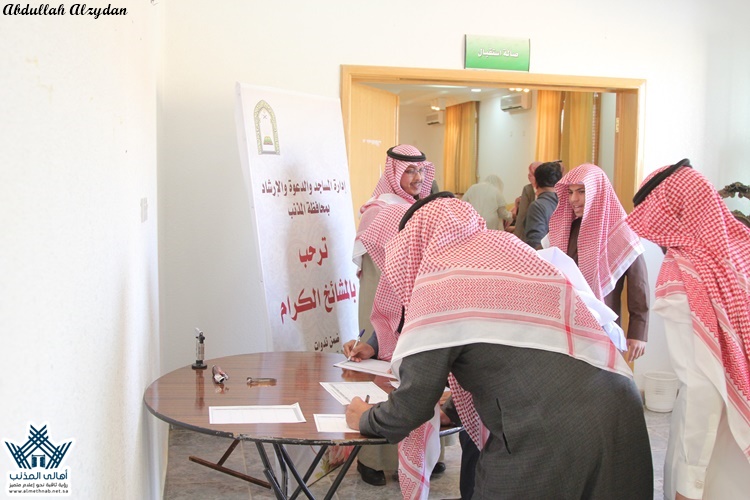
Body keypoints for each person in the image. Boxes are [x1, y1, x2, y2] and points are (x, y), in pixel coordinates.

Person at [346, 194, 653, 499]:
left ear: (414, 246)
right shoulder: (512, 252)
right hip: (621, 410)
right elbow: (519, 354)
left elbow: (412, 405)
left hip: (549, 430)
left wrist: (364, 417)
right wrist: (452, 409)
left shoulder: (440, 283)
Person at [626, 160, 750, 500]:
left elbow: (702, 388)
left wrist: (689, 482)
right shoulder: (742, 247)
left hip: (718, 454)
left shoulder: (683, 274)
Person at [350, 144, 436, 486]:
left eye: (420, 171)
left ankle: (419, 455)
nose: (417, 178)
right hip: (382, 305)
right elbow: (376, 272)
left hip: (415, 301)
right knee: (382, 378)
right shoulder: (381, 210)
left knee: (417, 375)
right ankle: (373, 459)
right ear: (393, 172)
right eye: (409, 171)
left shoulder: (421, 207)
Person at [545, 163, 649, 363]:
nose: (573, 199)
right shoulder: (565, 228)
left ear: (597, 192)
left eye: (581, 192)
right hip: (565, 322)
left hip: (602, 327)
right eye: (570, 192)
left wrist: (638, 331)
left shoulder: (620, 231)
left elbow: (638, 283)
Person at [524, 161, 562, 249]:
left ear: (536, 182)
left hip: (546, 255)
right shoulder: (566, 203)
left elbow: (535, 241)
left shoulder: (537, 206)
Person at [511, 161, 541, 238]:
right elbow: (522, 215)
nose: (528, 176)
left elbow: (522, 215)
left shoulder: (548, 190)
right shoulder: (528, 189)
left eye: (531, 174)